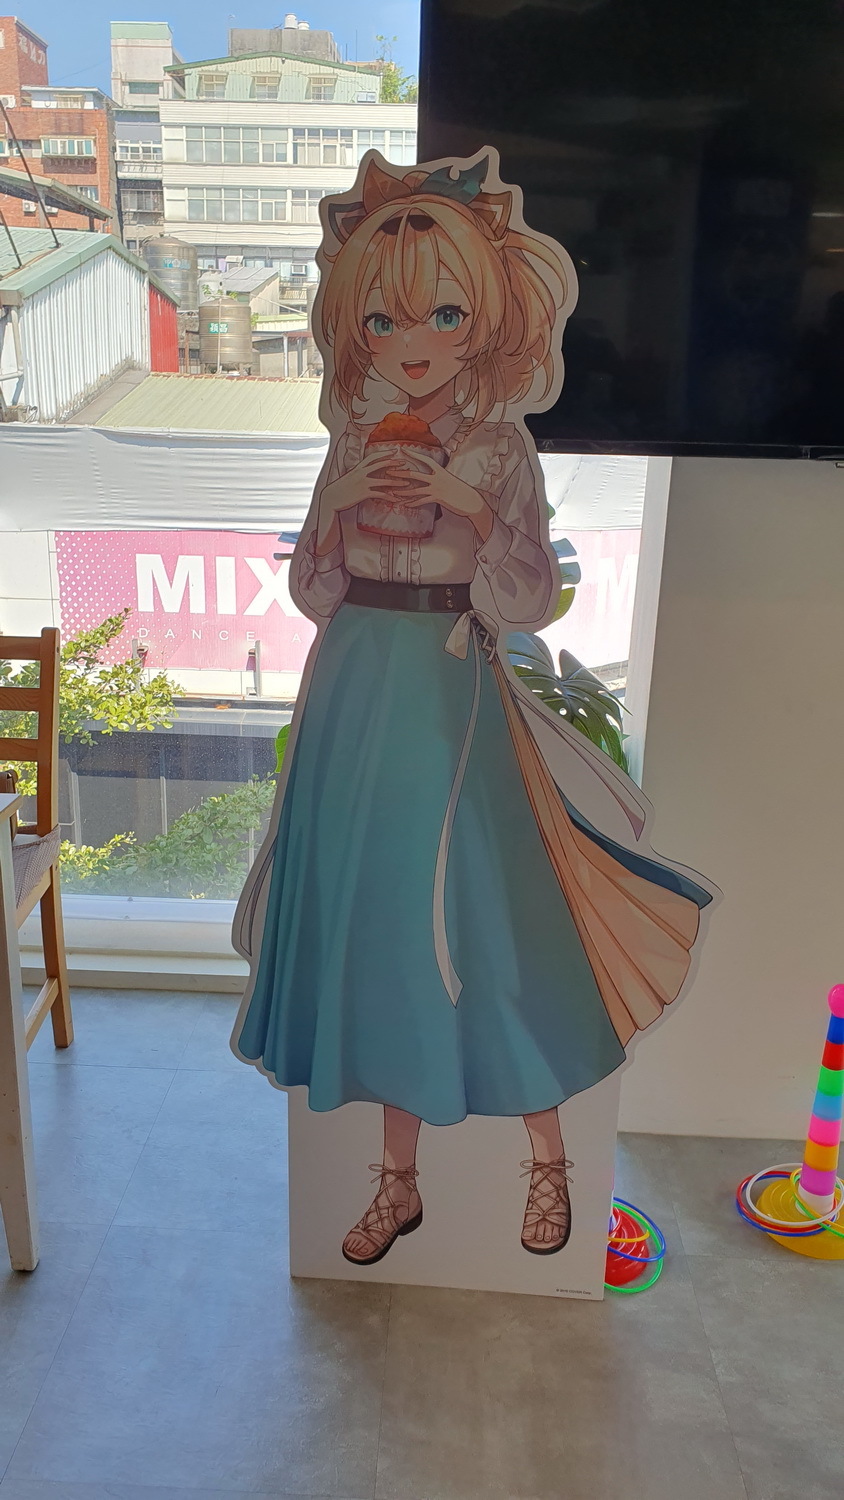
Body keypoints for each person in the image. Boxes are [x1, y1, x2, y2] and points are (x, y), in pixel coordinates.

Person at [231, 151, 713, 1265]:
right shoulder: (352, 444)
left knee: (491, 920)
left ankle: (549, 1164)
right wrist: (336, 512)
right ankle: (395, 1182)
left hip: (450, 690)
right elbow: (313, 590)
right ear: (355, 331)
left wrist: (470, 507)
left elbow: (532, 598)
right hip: (355, 686)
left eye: (443, 314)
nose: (413, 343)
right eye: (383, 319)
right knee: (376, 925)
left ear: (485, 322)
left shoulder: (500, 448)